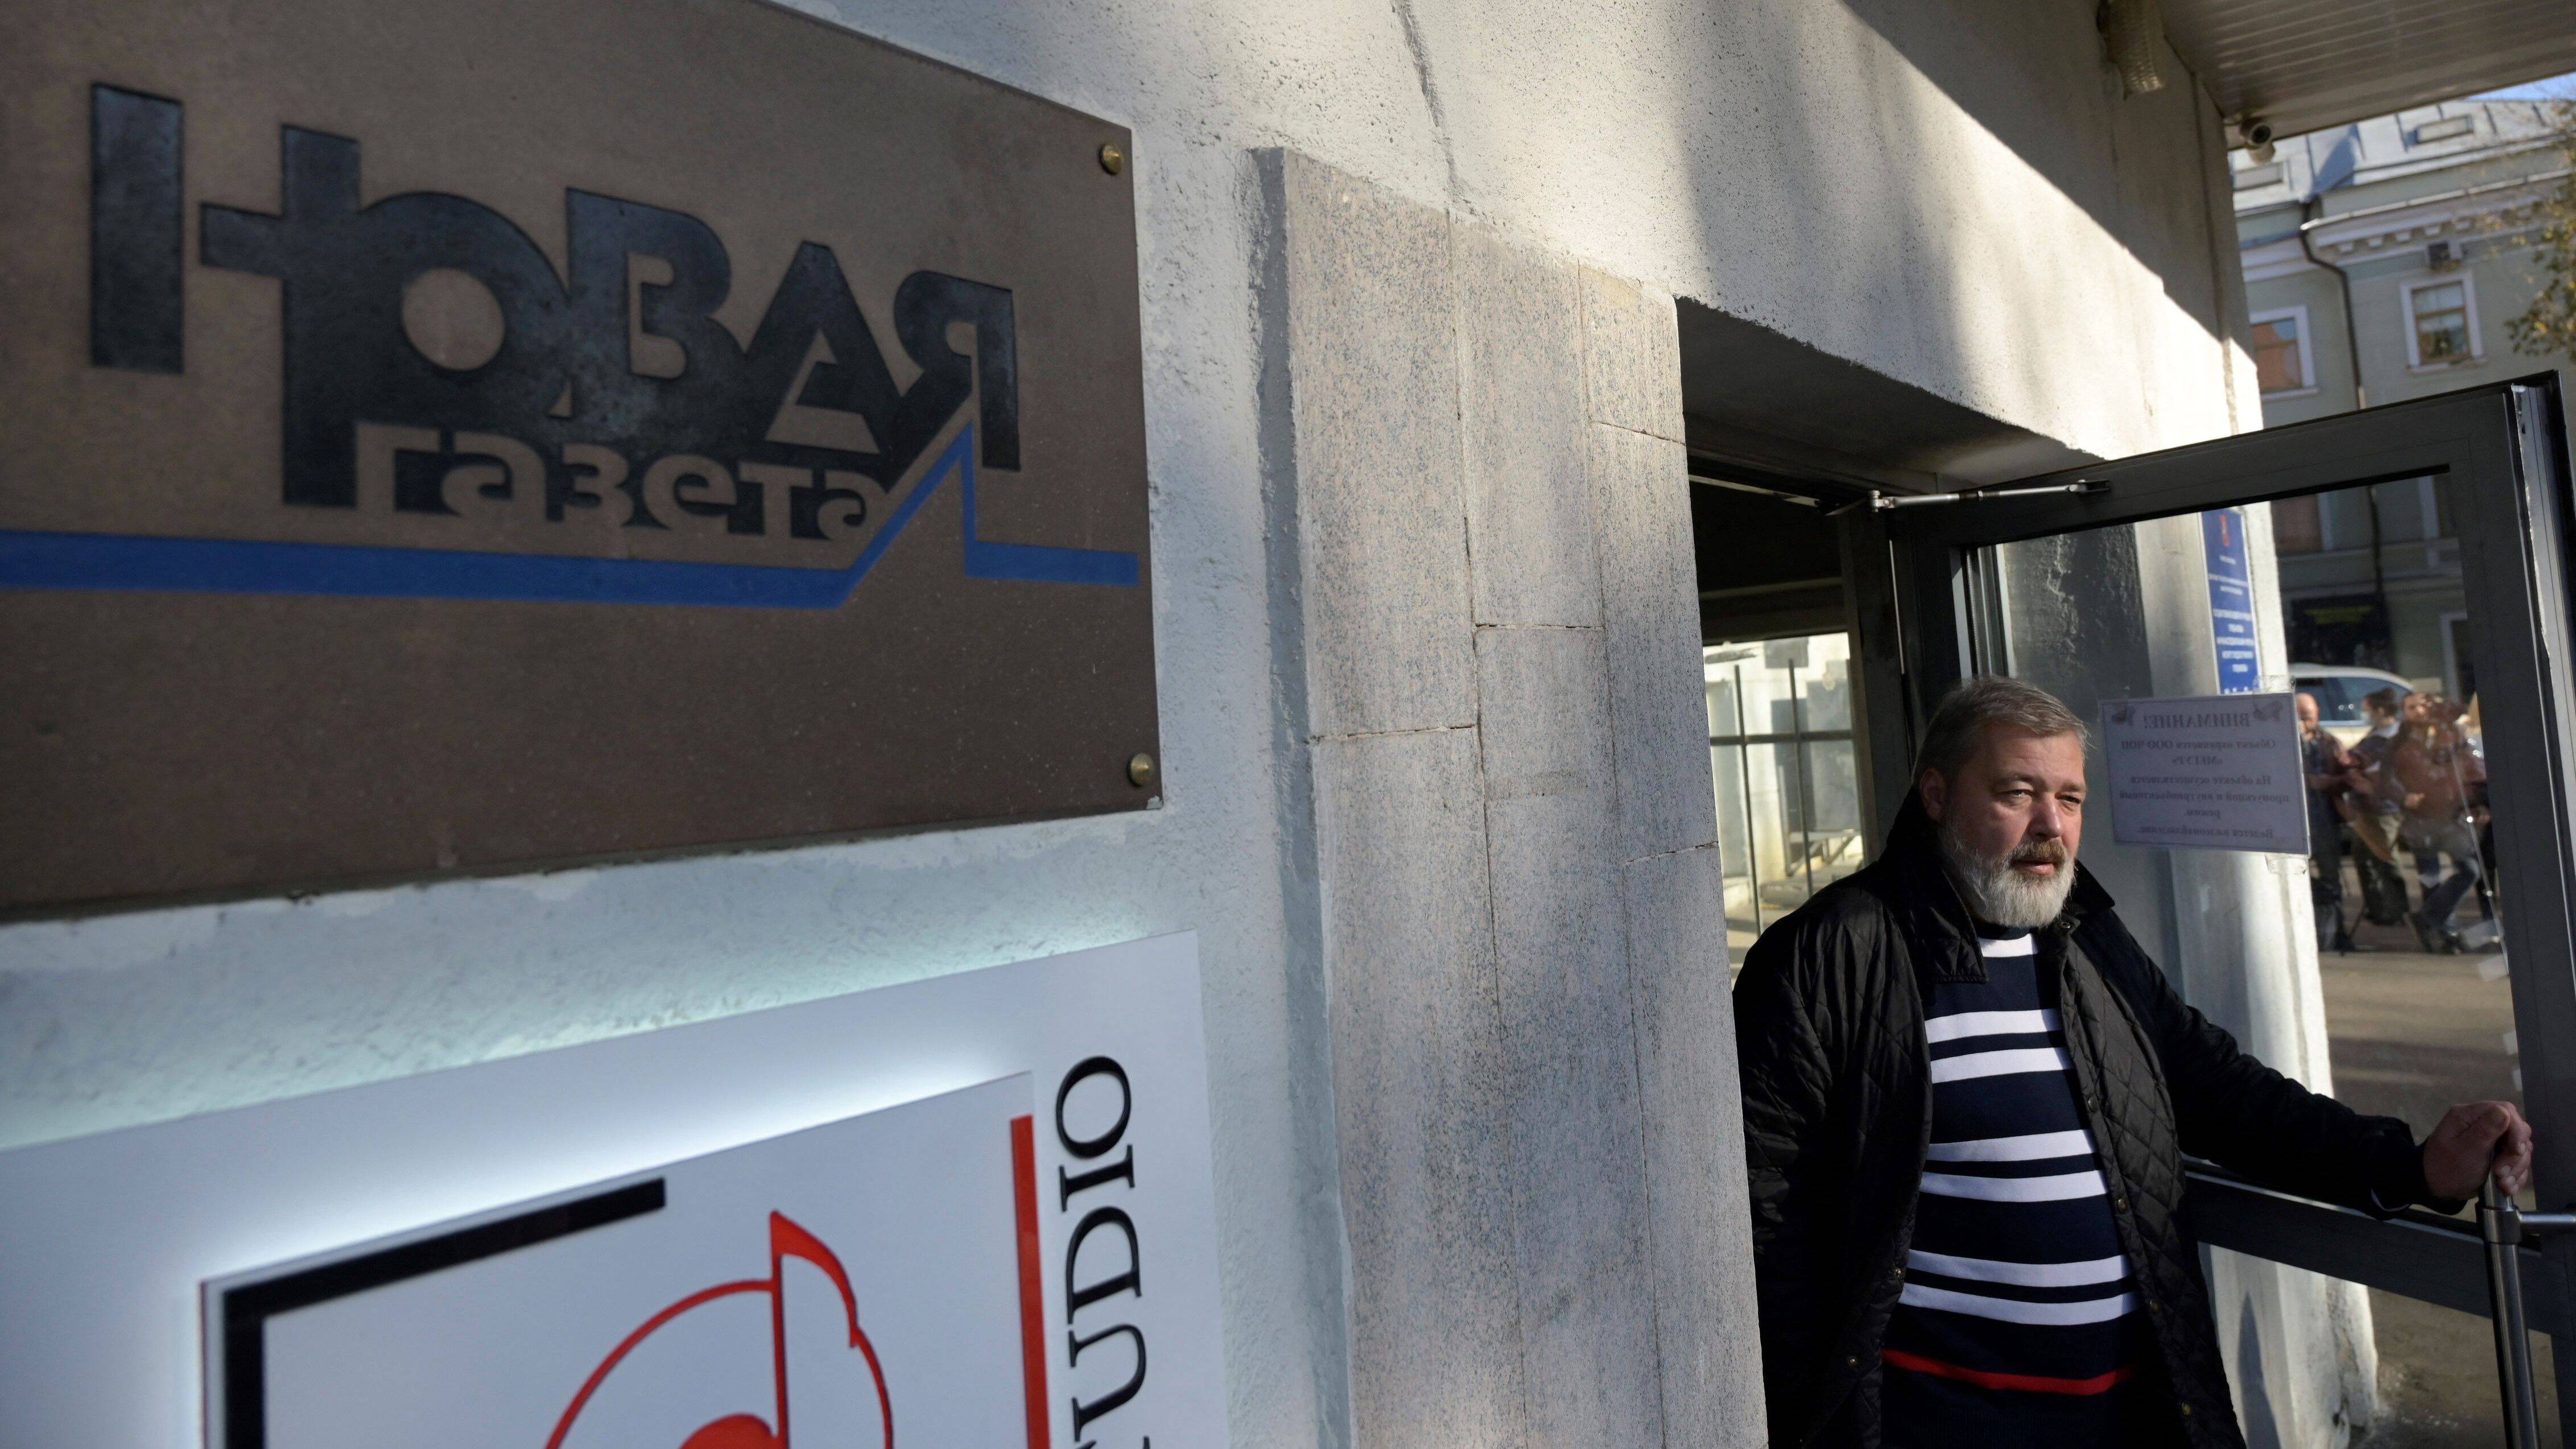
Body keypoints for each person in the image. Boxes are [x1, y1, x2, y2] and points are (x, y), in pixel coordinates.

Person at [1735, 676, 2532, 1449]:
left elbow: (2226, 1093)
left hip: (2129, 1408)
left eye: (2070, 798)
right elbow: (1768, 1216)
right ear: (1938, 795)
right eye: (2017, 792)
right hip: (1935, 1418)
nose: (2051, 824)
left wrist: (2413, 1164)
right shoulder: (1830, 954)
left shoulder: (2089, 941)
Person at [2392, 692, 2483, 953]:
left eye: (2424, 705)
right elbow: (2388, 778)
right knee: (2431, 879)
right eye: (2412, 707)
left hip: (2450, 816)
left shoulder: (2449, 733)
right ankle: (2443, 936)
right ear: (2405, 712)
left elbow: (2466, 767)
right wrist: (2404, 796)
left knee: (2469, 871)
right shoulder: (2401, 741)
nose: (2420, 711)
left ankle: (2428, 920)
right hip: (2421, 819)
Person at [2342, 687, 2413, 928]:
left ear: (2380, 711)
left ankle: (2399, 910)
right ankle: (2379, 908)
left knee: (2386, 859)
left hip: (2383, 808)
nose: (2365, 714)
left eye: (2367, 710)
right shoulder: (2376, 733)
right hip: (2366, 807)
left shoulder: (2394, 738)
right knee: (2363, 858)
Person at [2297, 693, 2354, 953]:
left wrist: (2326, 782)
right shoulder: (2285, 741)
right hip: (2300, 825)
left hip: (2326, 822)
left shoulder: (2330, 742)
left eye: (2309, 714)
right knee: (2300, 883)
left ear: (2318, 712)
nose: (2306, 719)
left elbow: (2347, 776)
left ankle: (2336, 933)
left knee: (2333, 880)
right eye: (2300, 714)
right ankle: (2307, 935)